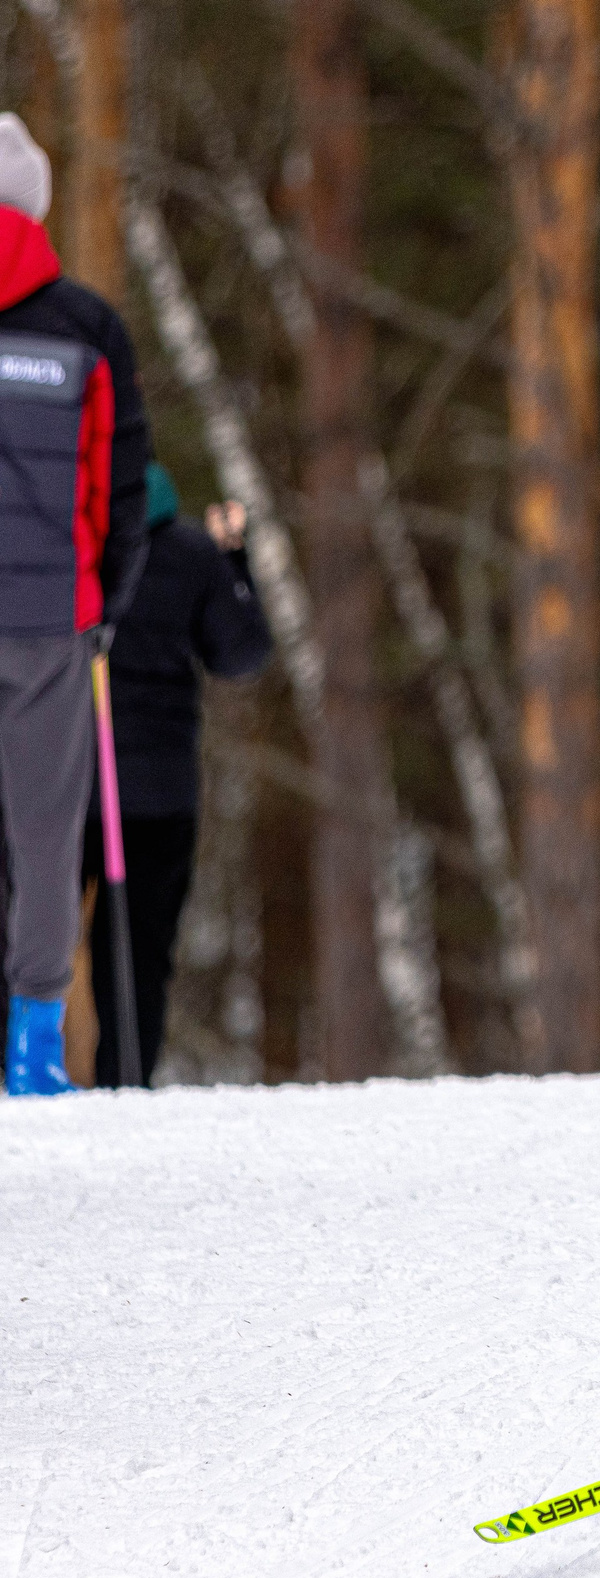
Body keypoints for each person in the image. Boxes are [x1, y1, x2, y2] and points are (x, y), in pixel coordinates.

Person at [0, 115, 153, 1095]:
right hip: (51, 619)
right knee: (47, 830)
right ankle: (33, 1045)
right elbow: (125, 486)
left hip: (52, 613)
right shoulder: (89, 331)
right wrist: (108, 600)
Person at [82, 472, 272, 1086]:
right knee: (137, 951)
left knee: (28, 938)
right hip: (156, 795)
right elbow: (240, 653)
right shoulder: (192, 554)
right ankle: (125, 1082)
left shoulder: (62, 547)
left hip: (63, 787)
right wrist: (234, 561)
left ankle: (29, 1076)